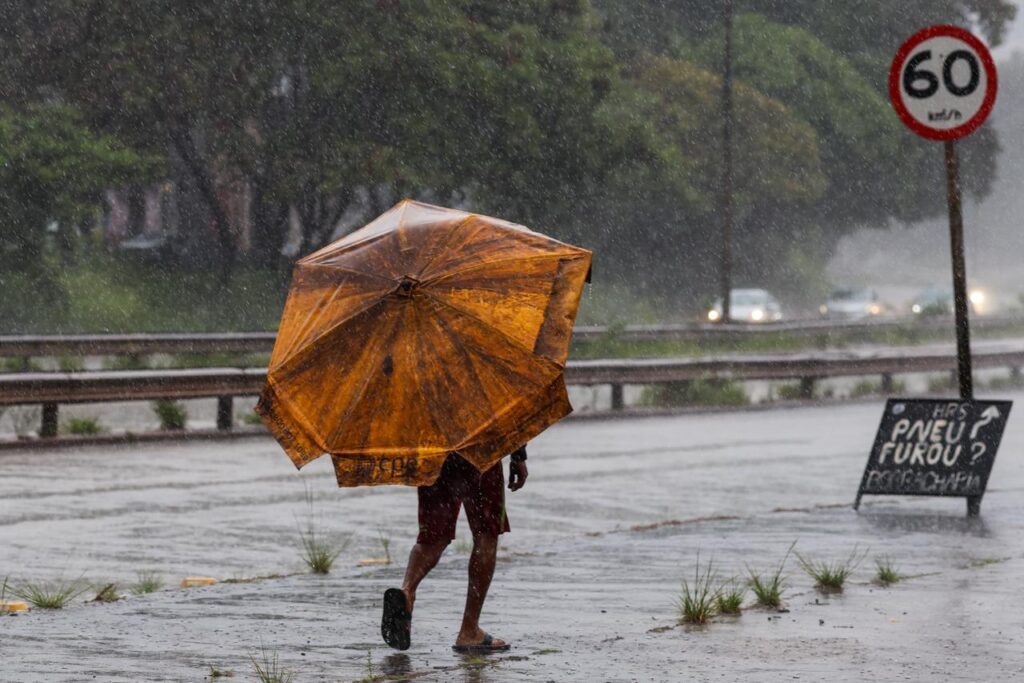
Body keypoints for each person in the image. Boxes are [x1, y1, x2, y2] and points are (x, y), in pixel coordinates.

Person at [380, 445, 529, 653]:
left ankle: (407, 590)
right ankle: (469, 631)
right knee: (486, 533)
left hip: (435, 449)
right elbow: (508, 413)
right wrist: (518, 455)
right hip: (481, 446)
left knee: (433, 537)